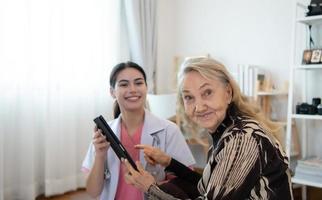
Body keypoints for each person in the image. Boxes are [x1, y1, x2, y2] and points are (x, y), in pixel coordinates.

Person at [123, 57, 293, 200]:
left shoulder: (242, 139)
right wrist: (169, 162)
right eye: (189, 97)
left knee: (166, 189)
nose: (199, 107)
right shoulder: (228, 132)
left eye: (207, 92)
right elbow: (211, 187)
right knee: (173, 186)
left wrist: (149, 187)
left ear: (228, 92)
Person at [82, 61, 195, 200]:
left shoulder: (169, 130)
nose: (133, 89)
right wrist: (100, 155)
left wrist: (153, 185)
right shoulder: (104, 135)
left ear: (146, 87)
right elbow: (93, 191)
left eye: (139, 83)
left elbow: (187, 184)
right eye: (124, 84)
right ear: (112, 92)